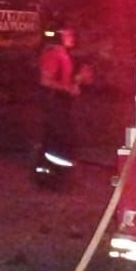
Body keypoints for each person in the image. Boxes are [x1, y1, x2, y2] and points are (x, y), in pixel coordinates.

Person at [34, 26, 86, 187]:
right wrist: (68, 88)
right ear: (59, 37)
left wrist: (77, 80)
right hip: (54, 103)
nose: (72, 37)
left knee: (63, 139)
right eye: (67, 35)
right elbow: (45, 80)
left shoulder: (63, 55)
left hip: (62, 103)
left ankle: (60, 175)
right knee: (57, 139)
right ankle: (53, 175)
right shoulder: (52, 54)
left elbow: (63, 81)